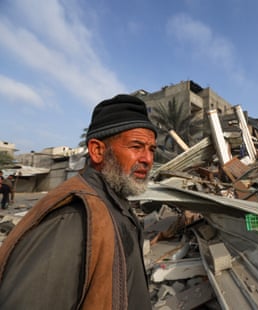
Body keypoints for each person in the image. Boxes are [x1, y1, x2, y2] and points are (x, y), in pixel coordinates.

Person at [0, 94, 157, 309]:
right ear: (98, 151)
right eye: (136, 147)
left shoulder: (115, 203)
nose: (147, 159)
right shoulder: (75, 217)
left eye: (151, 149)